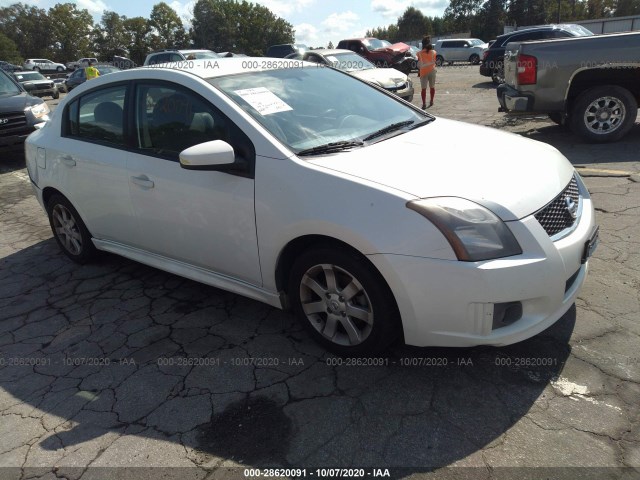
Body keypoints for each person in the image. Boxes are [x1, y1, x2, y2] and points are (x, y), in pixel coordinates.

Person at [416, 36, 437, 108]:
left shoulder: (419, 53)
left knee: (423, 89)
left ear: (422, 44)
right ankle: (431, 101)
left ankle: (424, 104)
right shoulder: (434, 52)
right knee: (432, 87)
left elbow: (419, 63)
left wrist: (419, 72)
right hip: (432, 71)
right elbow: (434, 61)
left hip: (423, 72)